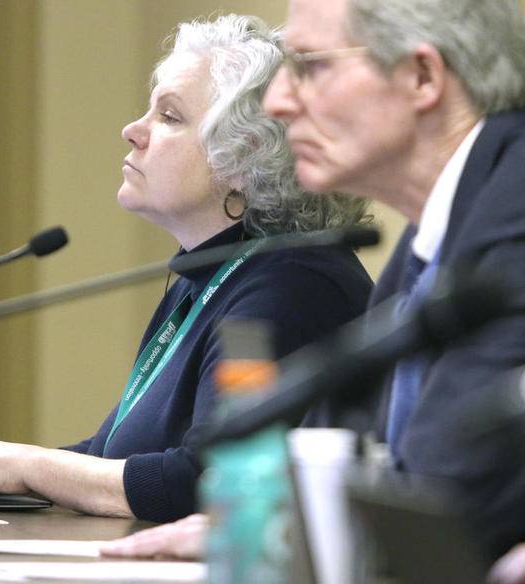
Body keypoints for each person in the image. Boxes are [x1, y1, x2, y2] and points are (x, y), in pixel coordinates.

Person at [0, 14, 372, 522]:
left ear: (242, 160)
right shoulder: (209, 274)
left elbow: (210, 481)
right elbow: (114, 458)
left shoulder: (292, 286)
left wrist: (26, 464)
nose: (132, 131)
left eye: (169, 116)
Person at [103, 0, 525, 562]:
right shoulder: (433, 239)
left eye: (310, 66)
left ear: (422, 77)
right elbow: (343, 459)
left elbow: (450, 489)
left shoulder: (514, 214)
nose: (278, 103)